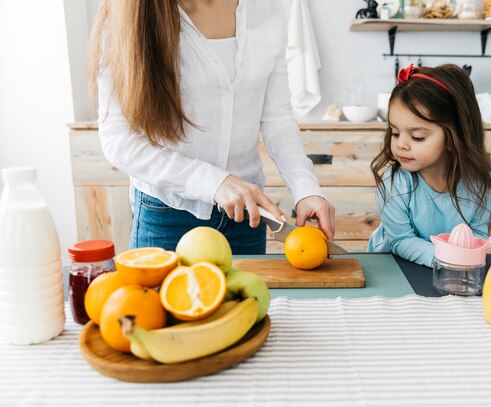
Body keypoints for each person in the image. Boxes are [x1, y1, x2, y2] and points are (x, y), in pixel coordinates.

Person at [88, 0, 335, 254]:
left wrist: (305, 189)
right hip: (168, 216)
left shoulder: (268, 8)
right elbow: (119, 140)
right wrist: (214, 182)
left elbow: (278, 119)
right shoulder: (127, 16)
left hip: (247, 217)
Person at [368, 63, 491, 266]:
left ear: (454, 137)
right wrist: (450, 260)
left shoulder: (481, 184)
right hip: (395, 267)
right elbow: (401, 240)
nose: (401, 145)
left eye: (417, 137)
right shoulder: (395, 183)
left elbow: (476, 236)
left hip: (450, 270)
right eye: (395, 133)